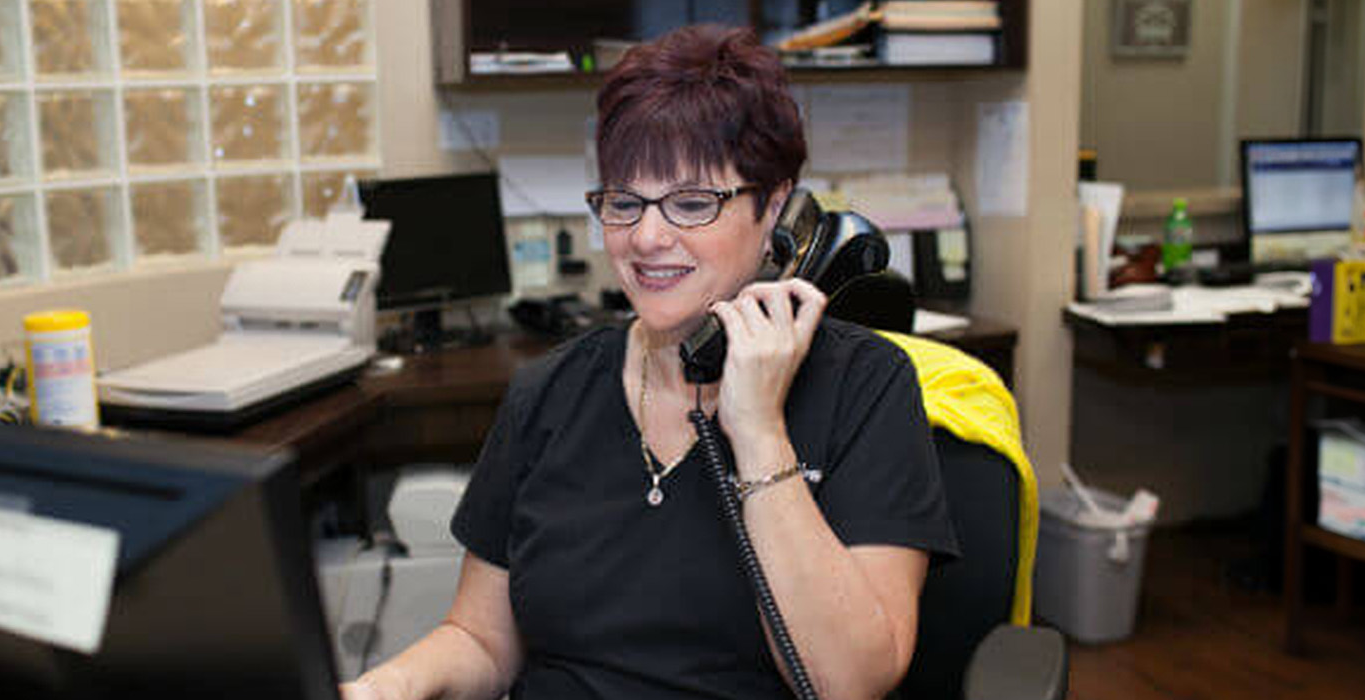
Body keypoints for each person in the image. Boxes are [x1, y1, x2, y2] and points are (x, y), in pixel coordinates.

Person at [343, 24, 957, 700]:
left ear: (778, 209)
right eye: (624, 201)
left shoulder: (865, 389)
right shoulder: (550, 392)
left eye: (692, 203)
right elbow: (482, 640)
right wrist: (386, 686)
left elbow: (849, 682)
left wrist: (757, 431)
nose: (647, 237)